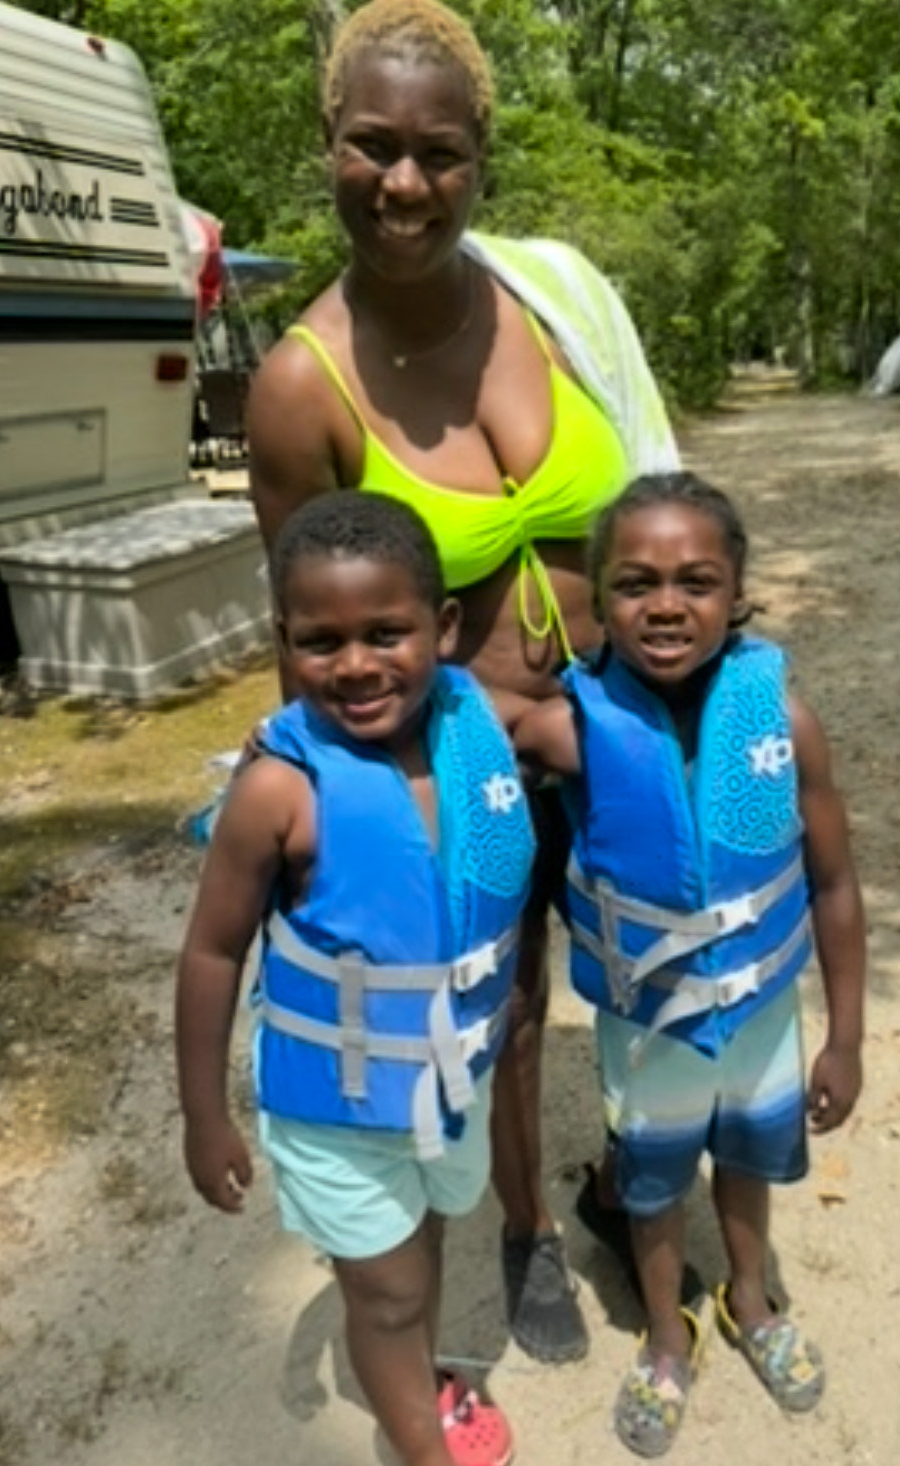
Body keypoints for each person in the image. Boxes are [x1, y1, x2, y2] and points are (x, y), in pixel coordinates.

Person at [246, 0, 678, 1363]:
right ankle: (520, 1227)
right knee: (502, 999)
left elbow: (662, 491)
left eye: (438, 151)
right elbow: (310, 635)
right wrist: (340, 824)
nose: (404, 183)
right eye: (371, 146)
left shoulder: (558, 293)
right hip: (462, 761)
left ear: (480, 158)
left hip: (621, 720)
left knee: (663, 967)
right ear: (328, 146)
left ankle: (626, 1184)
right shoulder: (299, 387)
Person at [175, 492, 536, 1466]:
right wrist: (203, 1114)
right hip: (337, 1109)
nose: (358, 664)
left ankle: (417, 1379)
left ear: (444, 628)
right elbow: (212, 951)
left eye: (387, 632)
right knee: (385, 1293)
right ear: (284, 642)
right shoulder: (277, 789)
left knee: (422, 1249)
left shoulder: (476, 729)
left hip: (452, 1082)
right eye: (321, 641)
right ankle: (420, 1443)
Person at [513, 472, 867, 1457]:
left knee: (750, 1164)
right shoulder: (565, 727)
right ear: (600, 598)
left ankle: (751, 1301)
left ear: (739, 593)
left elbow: (835, 885)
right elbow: (436, 749)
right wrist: (297, 747)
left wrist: (846, 1036)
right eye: (635, 582)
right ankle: (668, 1336)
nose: (666, 604)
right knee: (655, 1182)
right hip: (651, 1024)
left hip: (760, 1016)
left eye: (696, 580)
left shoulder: (785, 722)